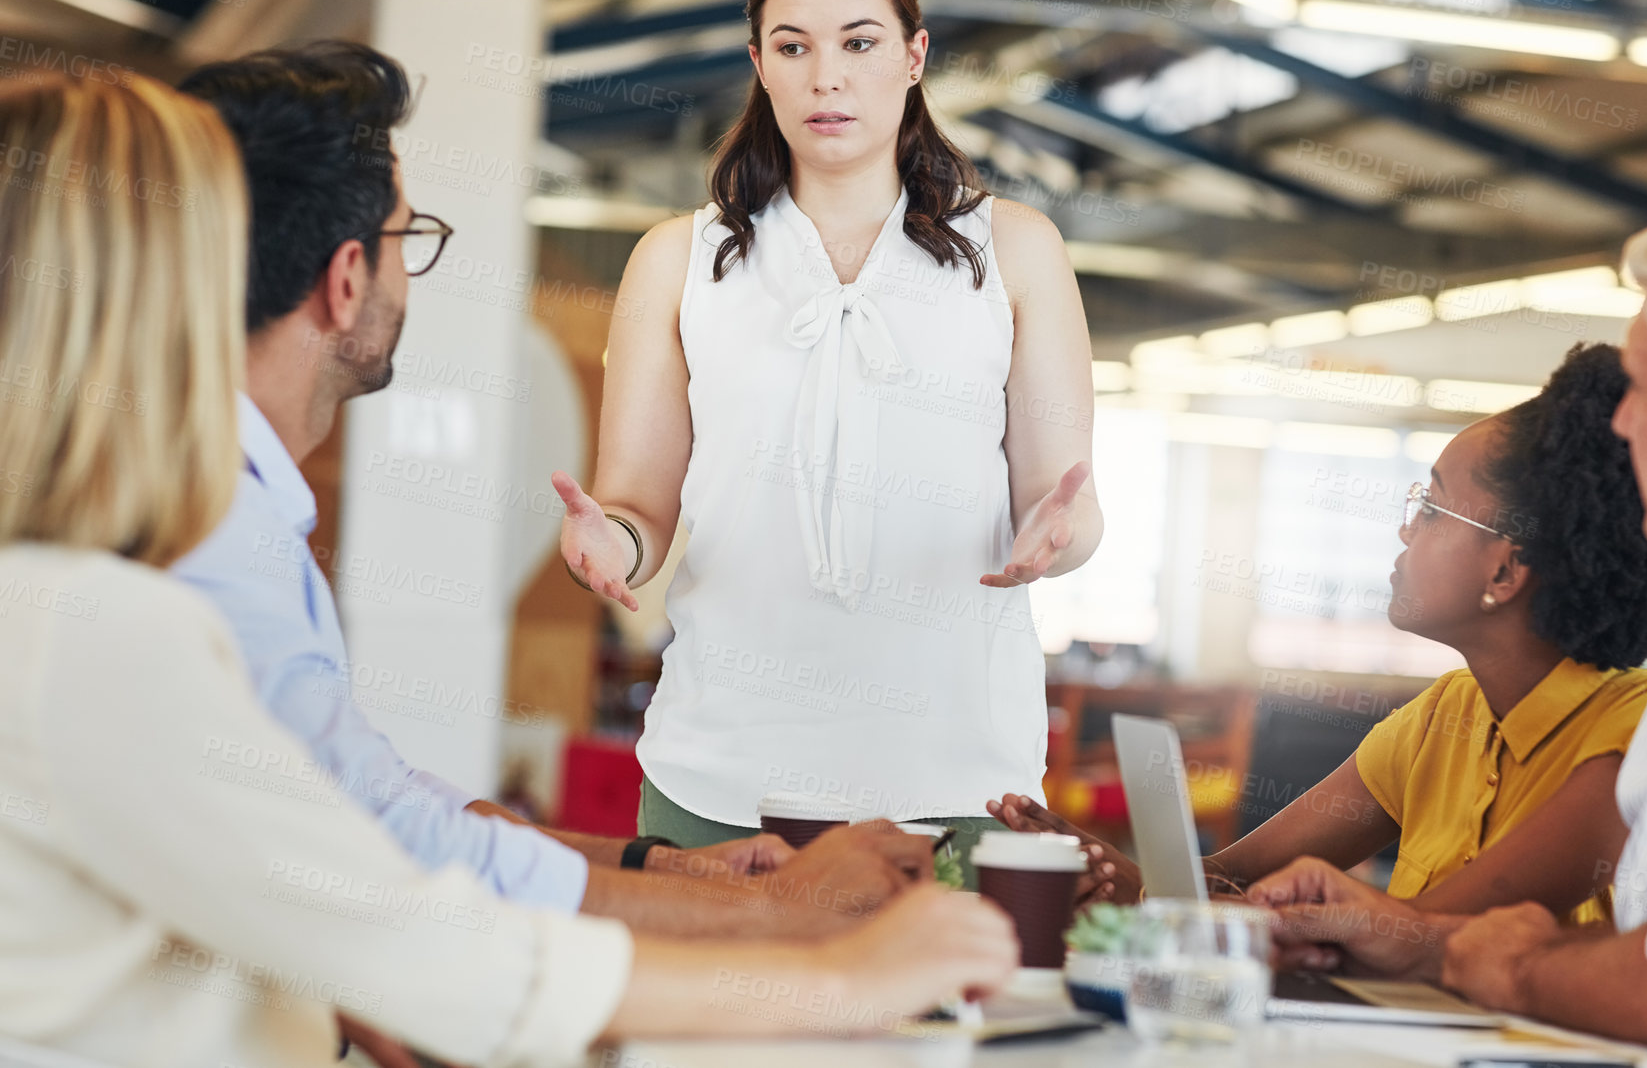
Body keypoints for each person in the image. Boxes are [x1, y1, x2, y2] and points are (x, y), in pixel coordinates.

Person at [0, 72, 1017, 1068]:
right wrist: (841, 971)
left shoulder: (78, 594)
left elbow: (363, 843)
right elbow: (411, 939)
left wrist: (672, 878)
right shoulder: (99, 620)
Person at [170, 40, 924, 941]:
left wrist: (658, 866)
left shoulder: (233, 512)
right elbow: (392, 849)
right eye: (406, 239)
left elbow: (383, 797)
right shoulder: (215, 549)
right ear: (343, 281)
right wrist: (764, 910)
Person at [550, 0, 1103, 870]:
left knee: (946, 1024)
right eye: (793, 46)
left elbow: (1066, 505)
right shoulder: (676, 261)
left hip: (956, 784)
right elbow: (638, 507)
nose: (827, 77)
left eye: (860, 43)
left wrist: (1060, 537)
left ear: (914, 54)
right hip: (721, 778)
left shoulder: (1016, 251)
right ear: (759, 62)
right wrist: (612, 544)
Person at [1247, 198, 1647, 1059]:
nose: (1623, 422)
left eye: (1645, 390)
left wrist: (1509, 968)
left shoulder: (1646, 711)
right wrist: (1425, 944)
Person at [989, 344, 1647, 921]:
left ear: (1507, 570)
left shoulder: (1639, 732)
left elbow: (1427, 942)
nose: (1404, 526)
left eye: (1431, 508)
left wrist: (1278, 918)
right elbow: (1229, 879)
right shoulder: (1445, 717)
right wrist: (1123, 877)